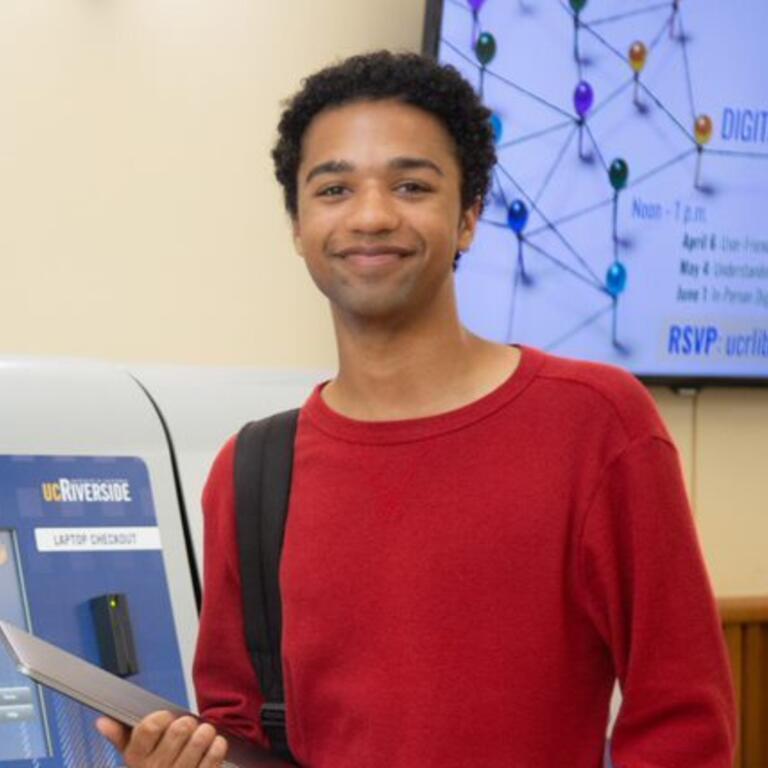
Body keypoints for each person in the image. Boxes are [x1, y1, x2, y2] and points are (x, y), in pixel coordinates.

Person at [97, 51, 736, 767]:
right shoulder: (251, 474)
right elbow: (241, 731)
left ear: (467, 218)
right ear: (298, 227)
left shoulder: (597, 423)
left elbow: (685, 721)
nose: (371, 216)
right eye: (334, 188)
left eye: (410, 184)